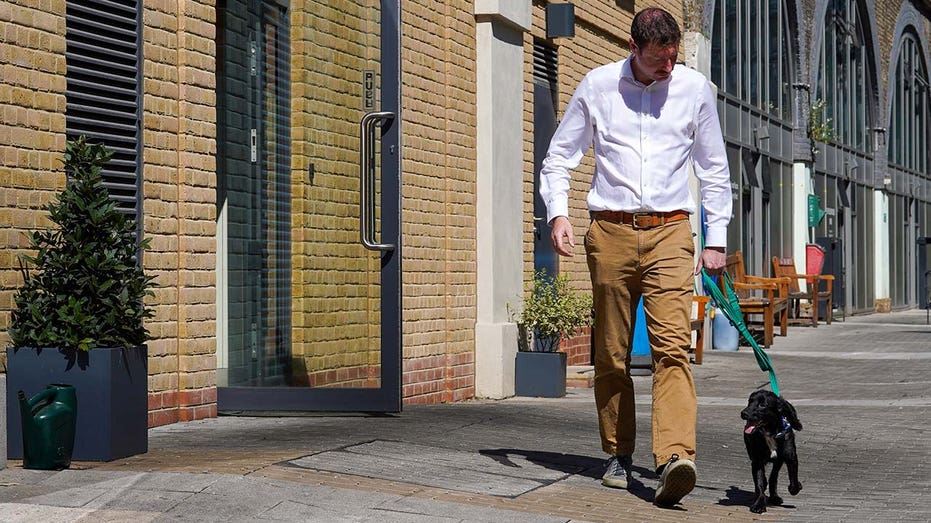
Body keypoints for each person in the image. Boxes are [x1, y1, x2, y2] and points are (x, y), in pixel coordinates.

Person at [538, 7, 731, 507]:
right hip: (611, 232)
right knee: (612, 353)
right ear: (633, 48)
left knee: (673, 348)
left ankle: (674, 458)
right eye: (658, 60)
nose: (668, 68)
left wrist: (716, 239)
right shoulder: (598, 86)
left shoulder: (694, 90)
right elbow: (560, 157)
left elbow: (714, 168)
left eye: (673, 58)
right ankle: (618, 455)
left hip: (671, 231)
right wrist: (558, 214)